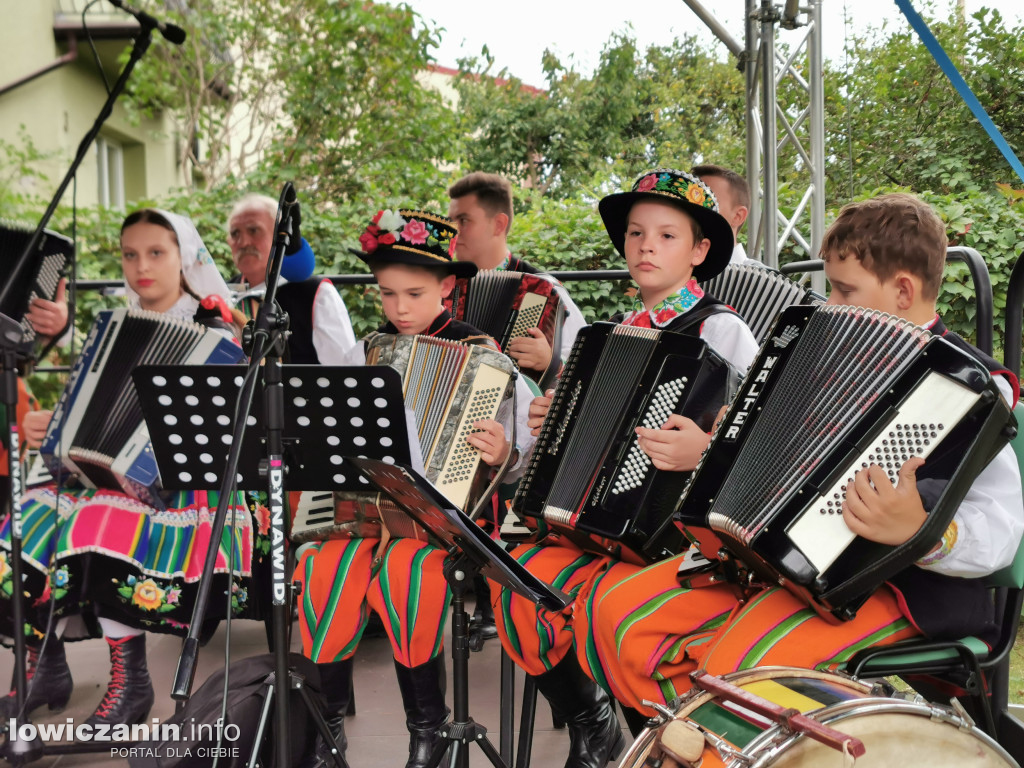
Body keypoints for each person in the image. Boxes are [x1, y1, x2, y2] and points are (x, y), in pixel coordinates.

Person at [586, 192, 1024, 719]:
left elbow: (1000, 530)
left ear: (903, 290)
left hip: (904, 588)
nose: (831, 305)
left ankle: (724, 736)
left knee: (742, 667)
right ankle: (702, 741)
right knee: (619, 619)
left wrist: (922, 530)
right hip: (780, 568)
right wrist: (734, 442)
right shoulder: (821, 361)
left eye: (843, 290)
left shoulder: (970, 387)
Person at [492, 169, 760, 768]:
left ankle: (656, 737)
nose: (645, 246)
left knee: (608, 604)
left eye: (666, 236)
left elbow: (757, 440)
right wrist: (553, 421)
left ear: (699, 251)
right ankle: (594, 725)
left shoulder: (722, 329)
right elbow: (581, 446)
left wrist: (702, 452)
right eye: (637, 233)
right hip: (605, 530)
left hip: (679, 542)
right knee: (512, 580)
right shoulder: (604, 334)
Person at [292, 208, 535, 768]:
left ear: (448, 287)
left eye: (414, 293)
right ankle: (326, 731)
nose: (399, 308)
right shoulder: (367, 352)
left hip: (438, 523)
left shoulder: (486, 357)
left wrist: (506, 453)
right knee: (323, 569)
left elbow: (525, 460)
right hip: (362, 513)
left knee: (408, 574)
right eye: (387, 294)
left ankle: (426, 731)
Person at [0, 209, 257, 728]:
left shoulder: (216, 328)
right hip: (105, 477)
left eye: (156, 252)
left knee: (98, 523)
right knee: (25, 514)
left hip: (192, 487)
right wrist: (48, 427)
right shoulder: (112, 324)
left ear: (183, 257)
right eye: (130, 254)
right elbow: (85, 412)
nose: (141, 265)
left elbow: (230, 428)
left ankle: (131, 683)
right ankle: (40, 663)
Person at [228, 193, 357, 364]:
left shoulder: (316, 294)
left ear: (281, 236)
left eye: (254, 230)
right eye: (235, 233)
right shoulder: (222, 294)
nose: (243, 242)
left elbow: (345, 371)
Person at [692, 163, 753, 265]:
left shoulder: (766, 279)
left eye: (708, 203)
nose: (694, 212)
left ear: (738, 216)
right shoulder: (670, 272)